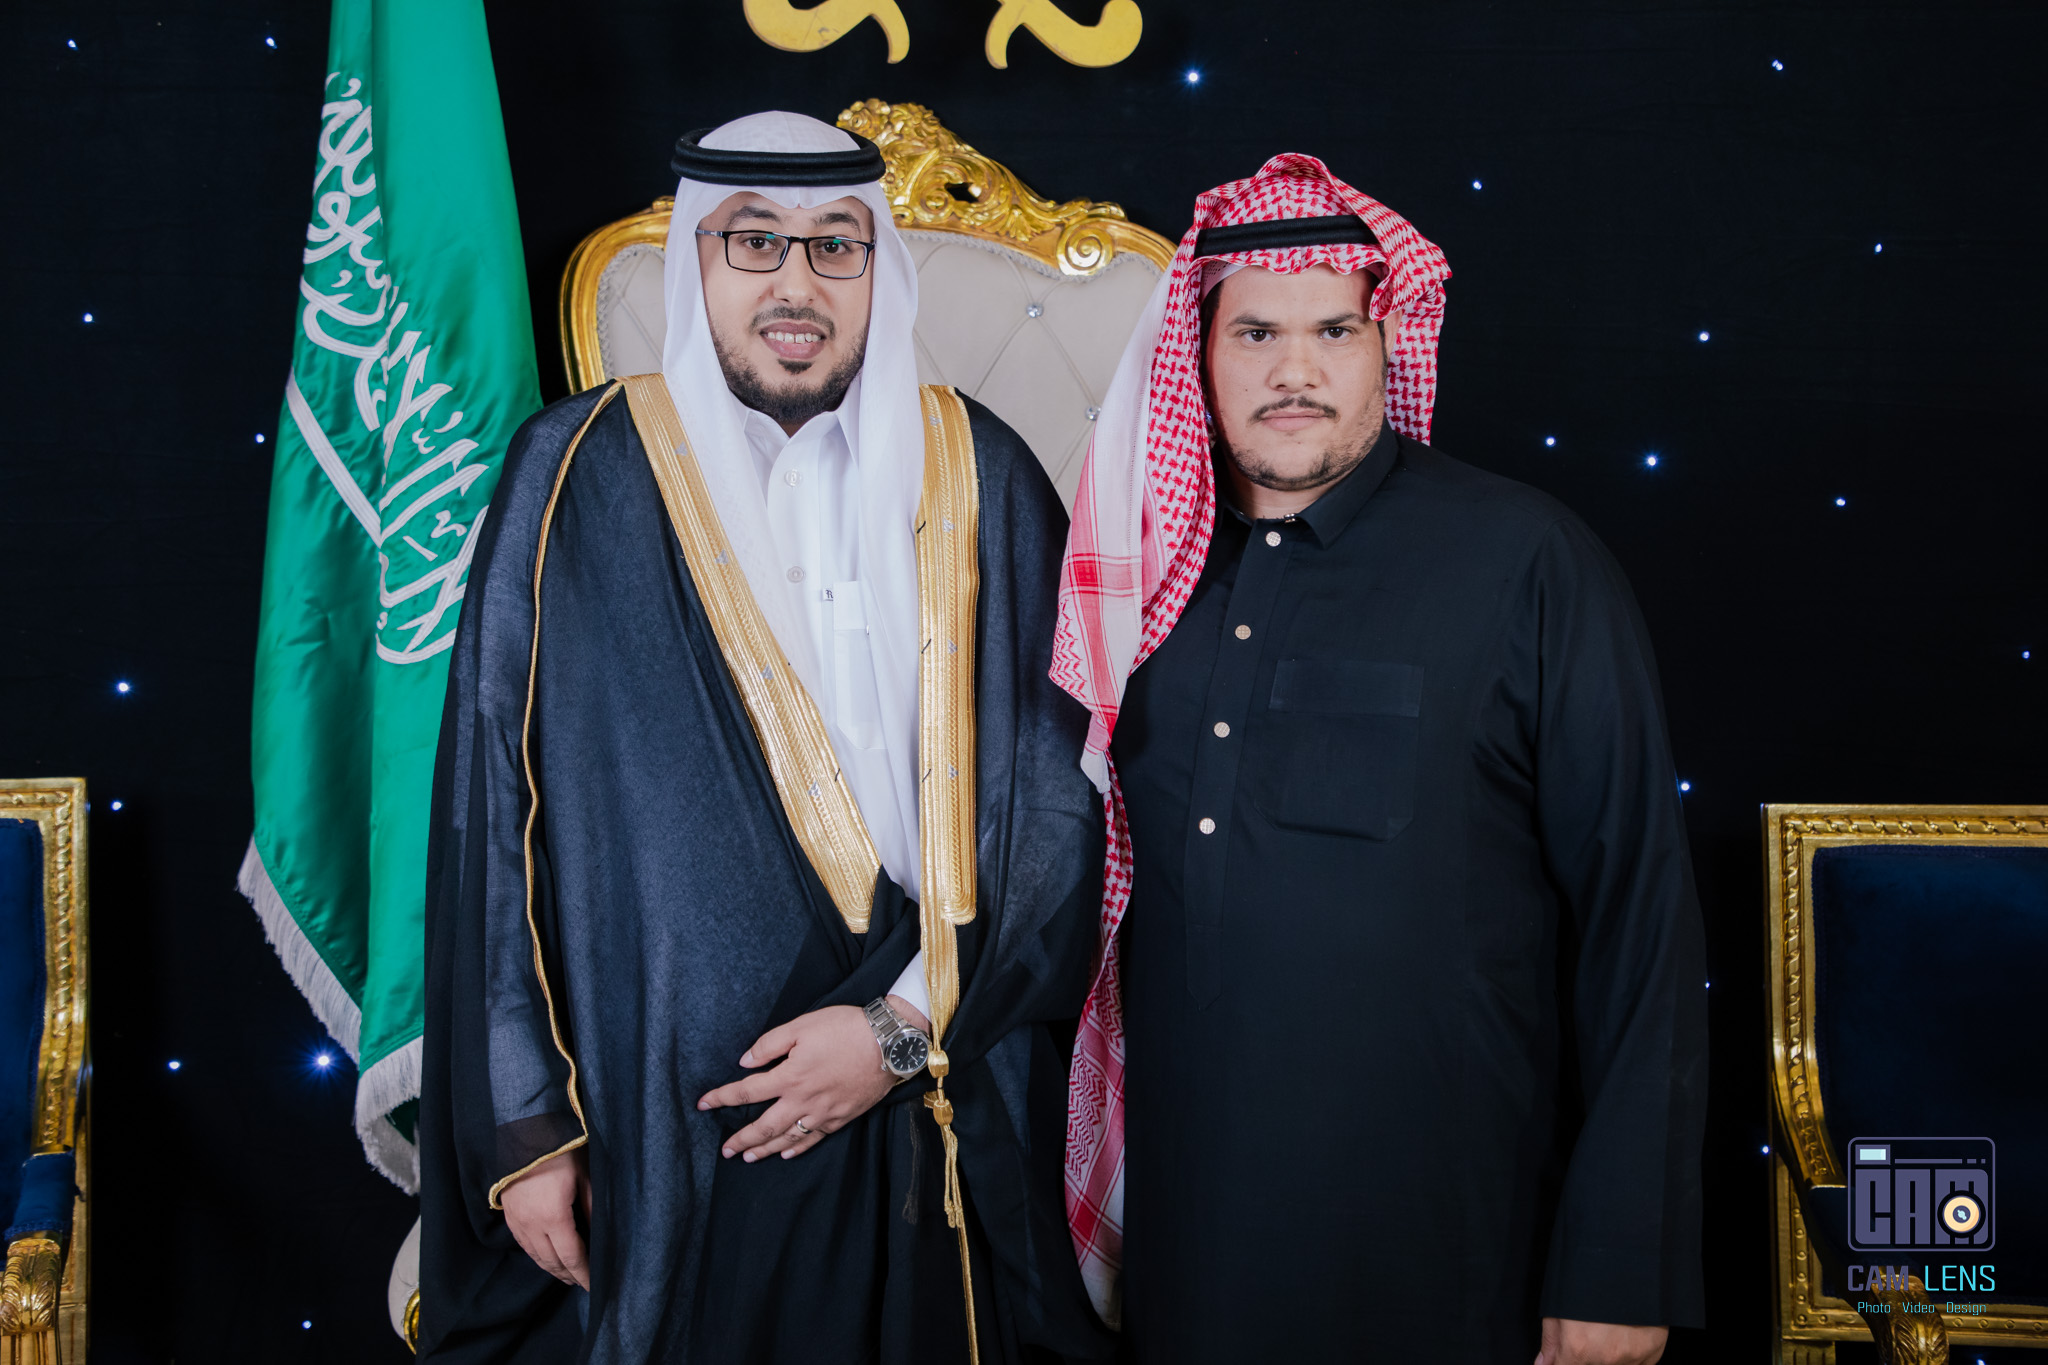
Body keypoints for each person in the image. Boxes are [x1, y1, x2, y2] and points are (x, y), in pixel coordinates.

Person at [418, 111, 1113, 1365]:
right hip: (650, 1107)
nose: (797, 285)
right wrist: (527, 1129)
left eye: (836, 245)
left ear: (876, 269)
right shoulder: (571, 472)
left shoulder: (981, 472)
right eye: (753, 242)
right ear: (696, 257)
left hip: (935, 1073)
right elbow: (491, 814)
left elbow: (1057, 809)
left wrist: (898, 1030)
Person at [1053, 155, 1707, 1364]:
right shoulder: (1132, 587)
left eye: (1332, 331)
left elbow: (1638, 925)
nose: (1293, 371)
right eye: (1255, 332)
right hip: (1191, 1248)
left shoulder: (1524, 562)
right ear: (1197, 350)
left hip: (1451, 1246)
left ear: (1385, 341)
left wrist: (1621, 1262)